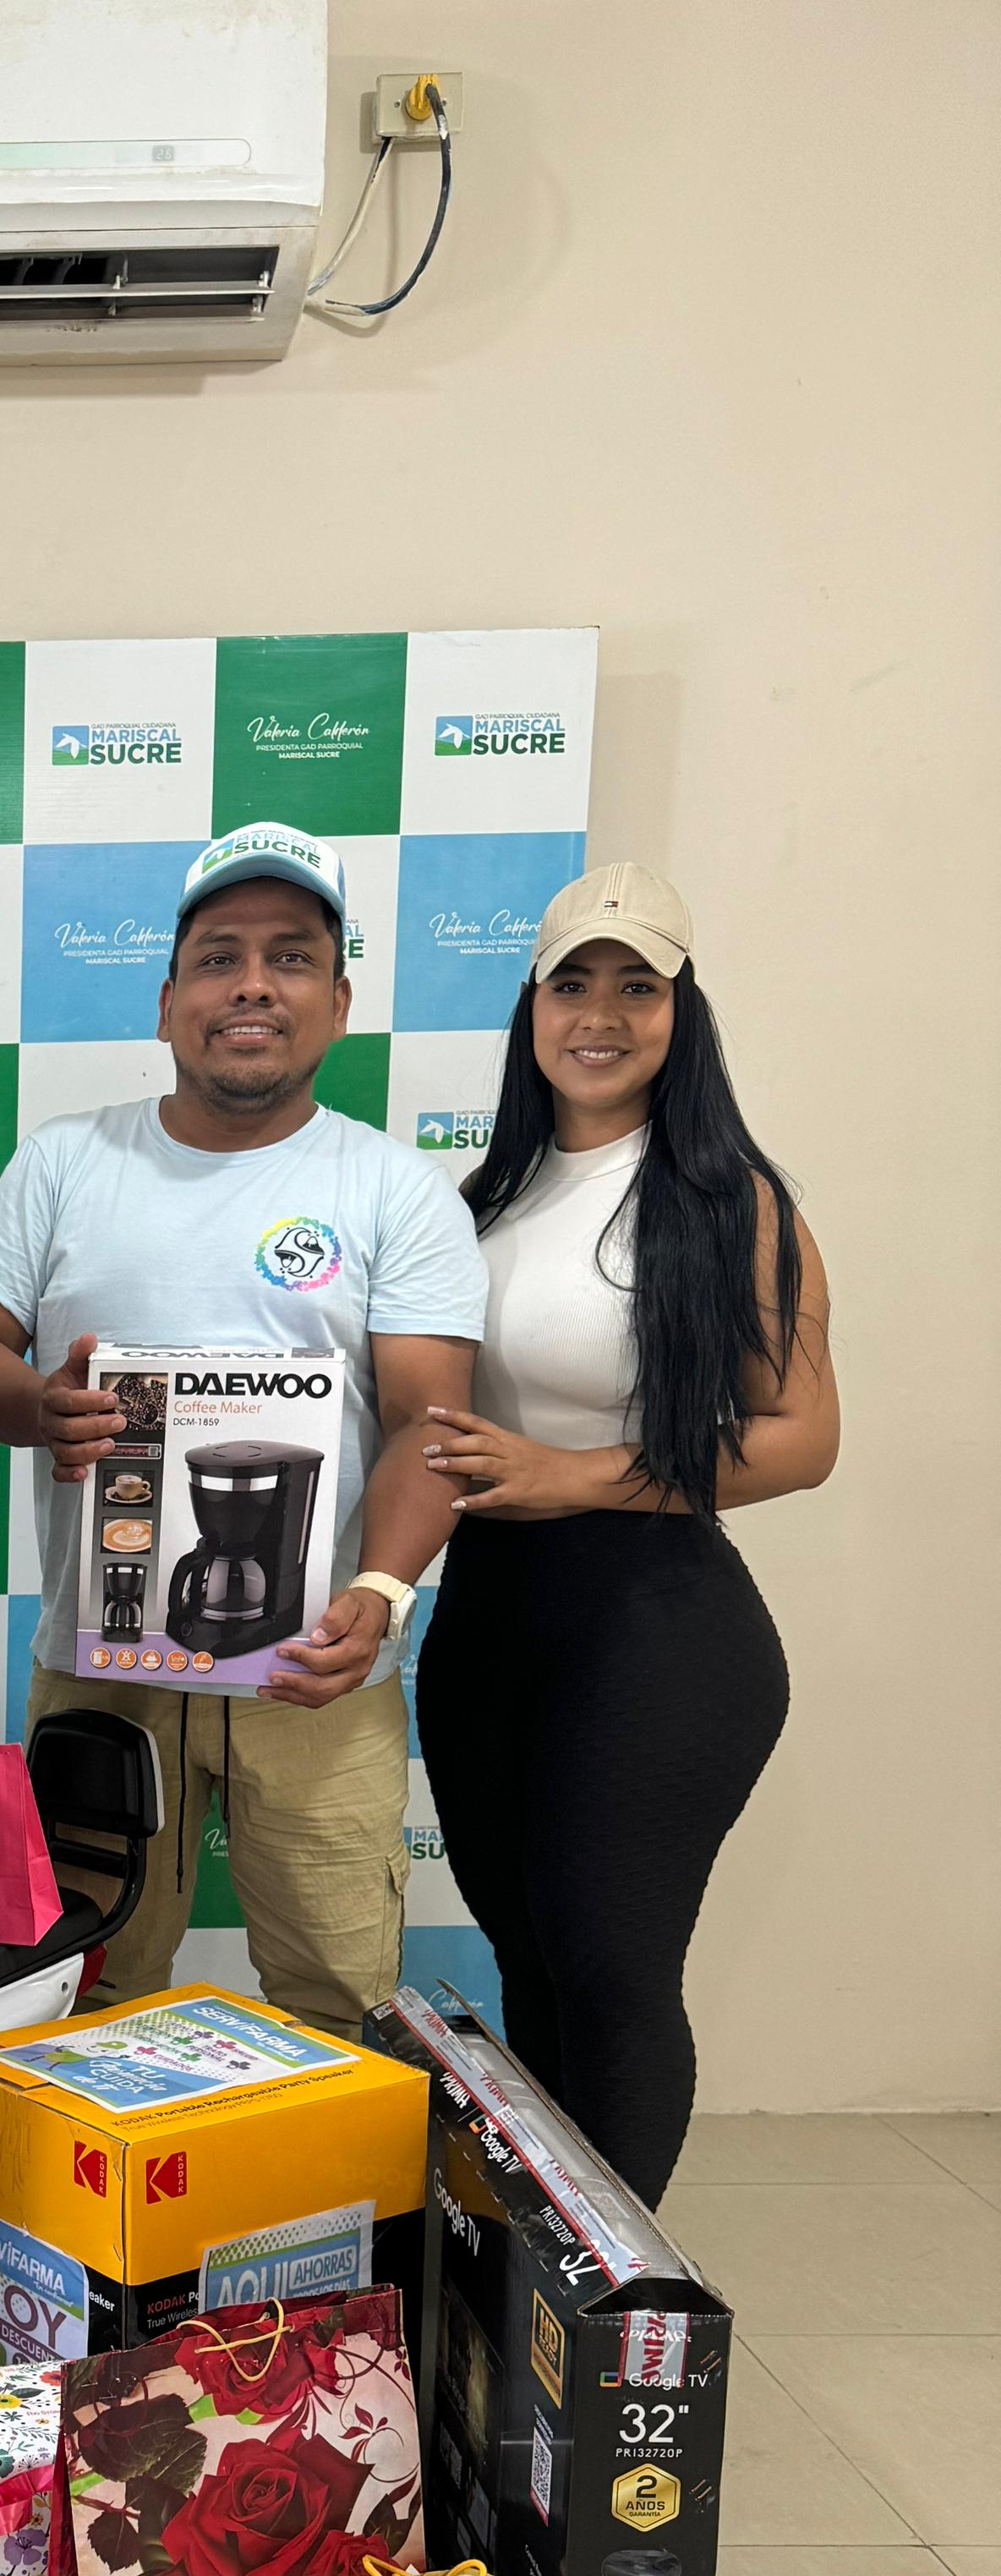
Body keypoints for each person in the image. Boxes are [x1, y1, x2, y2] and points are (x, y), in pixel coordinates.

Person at [0, 822, 487, 2035]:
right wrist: (39, 1407)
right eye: (219, 958)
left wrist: (383, 1593)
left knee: (338, 1997)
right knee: (74, 1987)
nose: (253, 985)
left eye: (291, 957)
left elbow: (429, 1422)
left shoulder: (395, 1189)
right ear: (167, 1003)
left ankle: (322, 2175)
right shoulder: (65, 1163)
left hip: (319, 1667)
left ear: (338, 1004)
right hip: (101, 1660)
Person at [413, 864, 836, 2203]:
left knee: (611, 1968)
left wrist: (577, 1474)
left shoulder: (727, 1199)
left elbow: (803, 1438)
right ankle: (553, 2266)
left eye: (637, 987)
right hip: (489, 1624)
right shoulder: (481, 1197)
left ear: (679, 1011)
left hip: (658, 1631)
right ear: (532, 1007)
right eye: (574, 984)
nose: (601, 1015)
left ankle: (618, 2296)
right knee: (531, 1961)